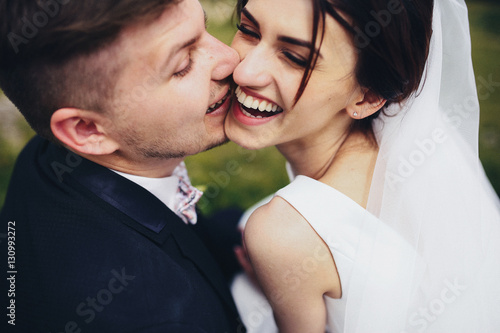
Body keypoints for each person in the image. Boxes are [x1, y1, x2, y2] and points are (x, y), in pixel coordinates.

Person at [226, 0, 500, 332]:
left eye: (295, 58)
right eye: (248, 30)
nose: (243, 71)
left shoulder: (282, 234)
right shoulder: (424, 135)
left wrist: (286, 277)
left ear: (367, 96)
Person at [0, 0, 246, 331]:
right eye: (183, 64)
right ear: (86, 130)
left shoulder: (49, 159)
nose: (231, 60)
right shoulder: (164, 317)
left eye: (204, 30)